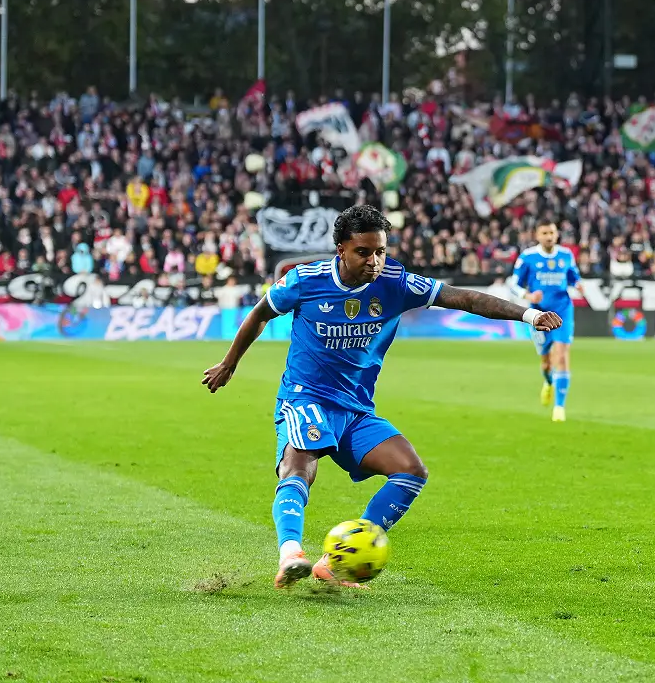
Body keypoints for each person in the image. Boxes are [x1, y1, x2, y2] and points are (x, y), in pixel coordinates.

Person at [202, 205, 562, 589]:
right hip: (306, 397)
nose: (374, 261)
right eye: (363, 252)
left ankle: (337, 560)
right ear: (341, 249)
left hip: (356, 408)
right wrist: (229, 363)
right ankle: (291, 553)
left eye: (380, 251)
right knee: (299, 467)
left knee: (411, 471)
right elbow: (260, 313)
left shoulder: (396, 282)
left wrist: (528, 315)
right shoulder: (305, 281)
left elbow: (465, 300)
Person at [508, 218, 581, 422]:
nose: (549, 237)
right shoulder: (528, 257)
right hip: (538, 314)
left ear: (557, 234)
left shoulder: (566, 255)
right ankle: (549, 382)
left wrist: (580, 285)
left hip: (563, 311)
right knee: (546, 361)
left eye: (552, 233)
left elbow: (575, 277)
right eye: (545, 233)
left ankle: (559, 407)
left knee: (562, 353)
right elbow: (513, 284)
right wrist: (528, 296)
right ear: (537, 236)